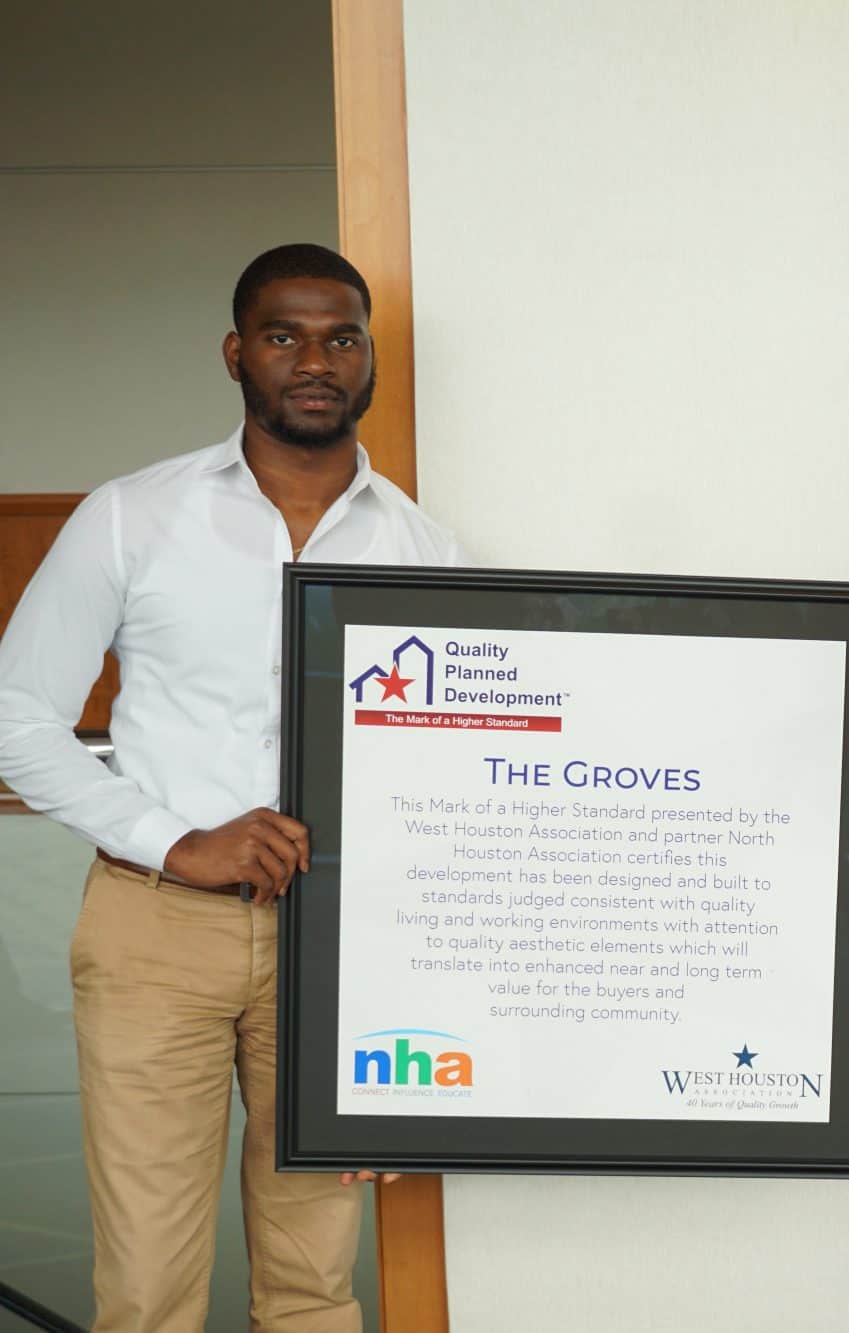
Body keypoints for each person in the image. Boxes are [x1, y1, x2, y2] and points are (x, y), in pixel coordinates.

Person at [0, 243, 466, 1332]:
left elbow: (446, 780)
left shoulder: (426, 553)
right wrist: (177, 838)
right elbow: (15, 718)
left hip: (337, 942)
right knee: (150, 1281)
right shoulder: (132, 515)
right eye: (283, 334)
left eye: (340, 337)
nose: (314, 358)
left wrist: (416, 1010)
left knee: (314, 1279)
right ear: (235, 353)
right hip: (155, 929)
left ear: (370, 365)